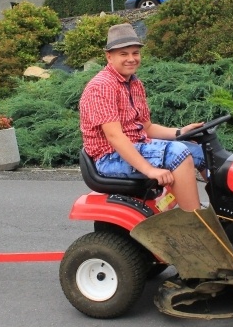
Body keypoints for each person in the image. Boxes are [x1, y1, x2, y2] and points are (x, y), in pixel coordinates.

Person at [79, 23, 205, 212]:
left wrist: (180, 132)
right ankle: (197, 225)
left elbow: (147, 127)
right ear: (109, 56)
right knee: (177, 153)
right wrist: (149, 170)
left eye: (135, 53)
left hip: (139, 145)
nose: (131, 59)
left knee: (202, 151)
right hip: (110, 158)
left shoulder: (135, 84)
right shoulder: (102, 86)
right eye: (124, 54)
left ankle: (228, 214)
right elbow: (115, 137)